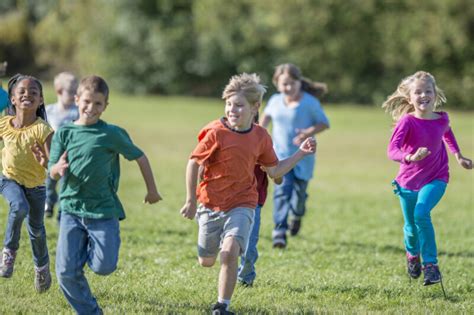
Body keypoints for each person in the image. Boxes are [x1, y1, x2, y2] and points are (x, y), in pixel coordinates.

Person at [180, 73, 316, 315]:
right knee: (207, 260)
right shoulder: (215, 132)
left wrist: (300, 154)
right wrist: (191, 200)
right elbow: (193, 164)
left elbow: (274, 170)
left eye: (239, 105)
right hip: (210, 204)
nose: (232, 110)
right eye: (229, 104)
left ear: (255, 108)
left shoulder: (261, 137)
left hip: (243, 202)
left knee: (230, 251)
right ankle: (213, 254)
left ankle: (222, 306)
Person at [49, 75, 162, 314]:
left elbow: (140, 156)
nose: (91, 108)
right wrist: (57, 170)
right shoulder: (64, 133)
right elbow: (52, 170)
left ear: (106, 105)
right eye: (87, 101)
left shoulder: (111, 133)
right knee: (65, 273)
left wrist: (152, 190)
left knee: (104, 266)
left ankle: (89, 248)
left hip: (103, 210)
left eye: (98, 104)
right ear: (77, 99)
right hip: (71, 209)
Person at [382, 71, 472, 286]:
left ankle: (431, 265)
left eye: (427, 91)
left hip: (437, 177)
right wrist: (410, 157)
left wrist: (458, 155)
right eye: (418, 92)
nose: (423, 95)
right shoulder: (407, 122)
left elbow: (446, 132)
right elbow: (391, 150)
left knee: (422, 213)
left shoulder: (442, 118)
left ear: (435, 94)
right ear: (410, 98)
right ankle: (412, 254)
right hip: (408, 181)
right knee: (411, 227)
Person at [260, 63, 330, 248]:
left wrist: (307, 132)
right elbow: (264, 122)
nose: (288, 87)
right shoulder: (275, 101)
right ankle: (279, 231)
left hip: (303, 158)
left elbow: (324, 123)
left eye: (292, 83)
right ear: (277, 84)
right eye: (284, 84)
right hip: (280, 157)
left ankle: (297, 215)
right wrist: (257, 135)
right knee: (282, 192)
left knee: (298, 197)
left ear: (299, 82)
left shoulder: (309, 103)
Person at [0, 74, 53, 293]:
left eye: (33, 93)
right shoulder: (3, 124)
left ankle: (41, 268)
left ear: (40, 100)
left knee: (37, 230)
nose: (26, 95)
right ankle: (8, 253)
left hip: (37, 187)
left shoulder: (43, 129)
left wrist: (45, 160)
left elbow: (53, 162)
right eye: (21, 91)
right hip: (8, 179)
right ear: (12, 99)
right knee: (18, 206)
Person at [237, 113, 282, 287]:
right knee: (228, 244)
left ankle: (245, 277)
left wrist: (271, 170)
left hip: (253, 201)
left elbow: (277, 177)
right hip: (226, 199)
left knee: (249, 246)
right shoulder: (224, 137)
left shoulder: (262, 141)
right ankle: (228, 274)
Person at [44, 71, 79, 219]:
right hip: (52, 155)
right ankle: (50, 201)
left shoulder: (77, 112)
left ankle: (63, 211)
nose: (75, 96)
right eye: (71, 92)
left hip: (70, 157)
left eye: (76, 92)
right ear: (59, 91)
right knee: (49, 183)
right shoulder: (49, 111)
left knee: (66, 184)